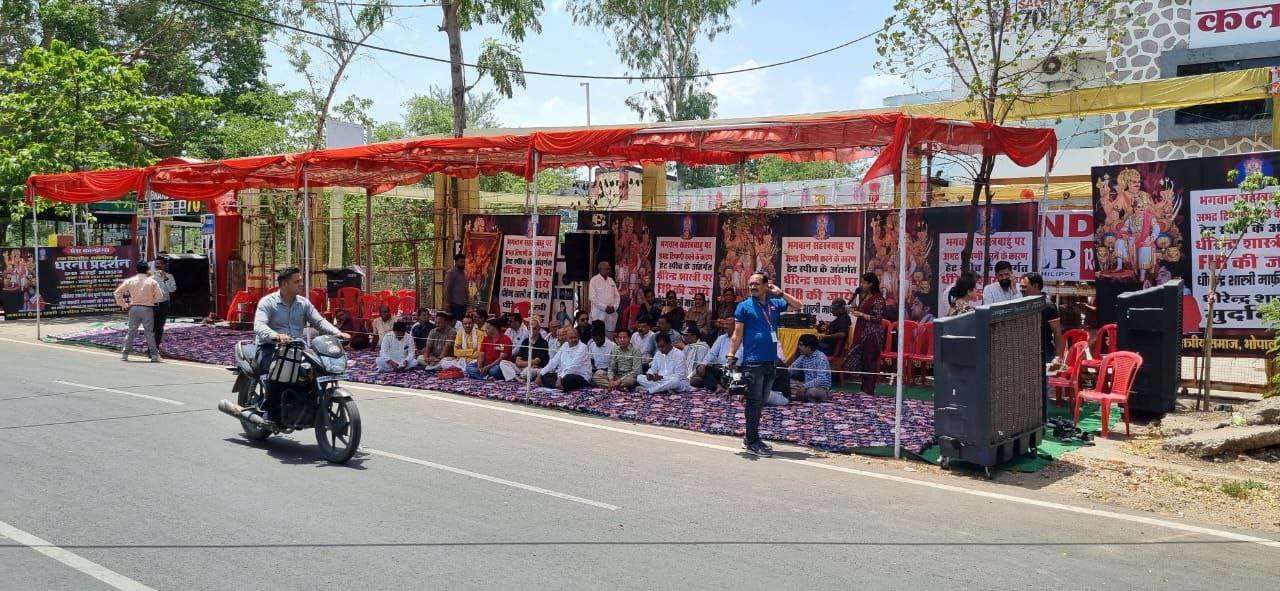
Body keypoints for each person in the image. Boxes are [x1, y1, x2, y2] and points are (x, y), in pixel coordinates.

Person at [252, 267, 349, 425]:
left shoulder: (303, 303)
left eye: (300, 280)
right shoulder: (268, 302)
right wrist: (275, 336)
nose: (301, 284)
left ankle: (307, 405)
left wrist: (337, 332)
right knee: (278, 370)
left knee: (316, 368)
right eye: (297, 281)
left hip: (297, 347)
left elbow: (319, 321)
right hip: (270, 347)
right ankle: (270, 411)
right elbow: (259, 325)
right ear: (284, 284)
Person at [728, 271, 802, 457]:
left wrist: (780, 292)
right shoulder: (743, 307)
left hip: (771, 361)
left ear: (766, 286)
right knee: (753, 401)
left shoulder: (775, 304)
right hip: (753, 361)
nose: (752, 287)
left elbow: (798, 305)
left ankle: (752, 437)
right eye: (750, 284)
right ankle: (752, 440)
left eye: (756, 284)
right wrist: (731, 354)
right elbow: (737, 334)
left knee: (760, 401)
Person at [842, 273, 887, 396]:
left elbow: (877, 318)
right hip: (862, 331)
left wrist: (861, 314)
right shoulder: (866, 296)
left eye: (864, 283)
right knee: (863, 361)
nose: (861, 285)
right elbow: (861, 311)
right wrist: (853, 308)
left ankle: (869, 390)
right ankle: (863, 389)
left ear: (870, 284)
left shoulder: (878, 299)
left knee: (870, 361)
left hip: (872, 334)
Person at [113, 260, 164, 362]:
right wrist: (151, 300)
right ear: (147, 270)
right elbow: (160, 297)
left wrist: (123, 304)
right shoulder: (152, 282)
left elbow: (117, 293)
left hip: (134, 308)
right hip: (147, 309)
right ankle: (154, 355)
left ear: (137, 270)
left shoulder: (130, 281)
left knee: (131, 331)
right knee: (149, 333)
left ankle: (125, 354)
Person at [1021, 272, 1062, 365]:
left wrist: (1058, 357)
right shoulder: (1022, 304)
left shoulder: (1048, 306)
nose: (1022, 290)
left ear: (1035, 285)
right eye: (1021, 287)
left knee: (1044, 379)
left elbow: (1057, 332)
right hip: (1026, 355)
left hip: (1045, 355)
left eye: (1025, 287)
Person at [539, 326, 592, 391]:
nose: (573, 340)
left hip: (580, 376)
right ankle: (560, 386)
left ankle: (559, 385)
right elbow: (554, 361)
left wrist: (560, 378)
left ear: (579, 337)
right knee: (545, 376)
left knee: (568, 379)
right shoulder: (565, 345)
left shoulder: (583, 347)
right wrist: (541, 374)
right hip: (563, 375)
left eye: (575, 338)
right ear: (567, 338)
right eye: (571, 338)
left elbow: (573, 366)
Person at [693, 317, 738, 390]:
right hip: (721, 368)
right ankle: (718, 386)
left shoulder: (741, 338)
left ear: (736, 326)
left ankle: (719, 384)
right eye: (724, 324)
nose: (725, 326)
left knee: (697, 381)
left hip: (735, 369)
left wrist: (731, 364)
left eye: (728, 324)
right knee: (701, 368)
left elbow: (740, 356)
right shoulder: (721, 338)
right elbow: (712, 353)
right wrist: (703, 364)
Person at [501, 316, 550, 380]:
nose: (531, 331)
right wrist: (522, 364)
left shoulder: (543, 343)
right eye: (530, 328)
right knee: (503, 362)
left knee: (526, 373)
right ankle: (516, 378)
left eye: (534, 328)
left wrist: (522, 363)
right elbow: (518, 361)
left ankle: (516, 377)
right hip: (523, 367)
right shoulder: (526, 341)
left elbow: (536, 361)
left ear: (539, 329)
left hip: (533, 368)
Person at [789, 334, 832, 402]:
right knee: (786, 383)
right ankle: (803, 396)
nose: (798, 347)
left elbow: (821, 379)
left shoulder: (821, 358)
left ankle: (802, 396)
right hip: (806, 386)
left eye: (801, 345)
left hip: (820, 388)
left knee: (811, 392)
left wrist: (804, 386)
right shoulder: (803, 357)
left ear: (809, 347)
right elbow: (791, 370)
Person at [151, 258, 177, 346]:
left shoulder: (169, 276)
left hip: (164, 304)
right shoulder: (150, 276)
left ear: (164, 265)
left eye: (160, 263)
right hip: (151, 305)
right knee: (151, 327)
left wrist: (165, 278)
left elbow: (172, 289)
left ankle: (155, 347)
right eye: (156, 264)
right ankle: (150, 346)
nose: (158, 265)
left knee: (159, 327)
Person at [588, 260, 620, 333]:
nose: (608, 271)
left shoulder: (611, 280)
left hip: (611, 314)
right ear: (600, 269)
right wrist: (605, 307)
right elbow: (592, 298)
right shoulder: (594, 280)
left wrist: (614, 307)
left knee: (609, 336)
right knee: (598, 336)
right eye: (606, 269)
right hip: (598, 315)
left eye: (609, 269)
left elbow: (617, 296)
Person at [444, 253, 469, 321]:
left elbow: (466, 289)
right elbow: (447, 289)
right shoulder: (451, 273)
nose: (463, 264)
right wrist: (448, 303)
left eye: (464, 262)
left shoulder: (465, 273)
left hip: (464, 303)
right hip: (455, 304)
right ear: (456, 262)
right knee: (456, 323)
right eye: (461, 262)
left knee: (462, 323)